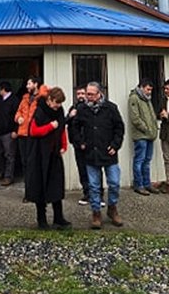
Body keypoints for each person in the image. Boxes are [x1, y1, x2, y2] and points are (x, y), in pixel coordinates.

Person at [76, 82, 124, 229]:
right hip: (91, 153)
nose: (87, 97)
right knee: (94, 186)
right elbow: (75, 127)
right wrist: (80, 142)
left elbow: (119, 128)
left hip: (108, 153)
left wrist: (115, 145)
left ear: (99, 94)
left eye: (90, 94)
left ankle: (112, 208)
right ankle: (96, 212)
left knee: (114, 183)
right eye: (87, 93)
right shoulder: (82, 109)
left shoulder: (110, 108)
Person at [26, 87, 72, 230]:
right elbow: (33, 131)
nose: (58, 106)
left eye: (60, 103)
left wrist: (64, 144)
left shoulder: (59, 111)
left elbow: (61, 128)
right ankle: (42, 219)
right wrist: (50, 126)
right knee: (40, 186)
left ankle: (58, 218)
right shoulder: (40, 111)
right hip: (40, 154)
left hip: (54, 153)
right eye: (56, 103)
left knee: (56, 185)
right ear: (49, 99)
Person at [67, 86, 102, 207]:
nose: (81, 96)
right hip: (77, 145)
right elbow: (66, 123)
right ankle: (87, 193)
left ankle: (99, 195)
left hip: (91, 145)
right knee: (82, 170)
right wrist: (70, 116)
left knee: (95, 169)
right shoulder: (74, 108)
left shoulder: (91, 108)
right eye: (78, 94)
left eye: (83, 93)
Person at [13, 76, 48, 186]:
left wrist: (42, 90)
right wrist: (18, 118)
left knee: (35, 162)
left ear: (36, 84)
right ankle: (28, 189)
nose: (27, 86)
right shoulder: (25, 98)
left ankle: (38, 187)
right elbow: (18, 112)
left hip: (35, 134)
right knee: (25, 162)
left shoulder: (43, 97)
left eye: (29, 84)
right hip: (23, 133)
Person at [127, 79, 159, 196]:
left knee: (147, 161)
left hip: (150, 135)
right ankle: (138, 185)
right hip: (141, 135)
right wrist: (146, 128)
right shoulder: (134, 98)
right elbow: (135, 118)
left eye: (151, 90)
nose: (149, 92)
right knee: (139, 160)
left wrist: (153, 129)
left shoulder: (147, 100)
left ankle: (147, 184)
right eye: (148, 89)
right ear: (141, 87)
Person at [0, 81, 18, 186]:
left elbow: (17, 116)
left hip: (8, 132)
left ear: (3, 89)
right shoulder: (0, 101)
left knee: (9, 155)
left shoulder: (14, 101)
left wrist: (16, 130)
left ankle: (8, 176)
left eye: (0, 89)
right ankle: (1, 170)